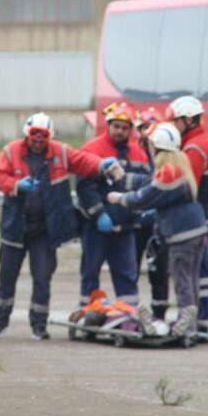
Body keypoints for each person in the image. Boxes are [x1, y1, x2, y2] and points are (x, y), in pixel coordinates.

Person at [0, 112, 104, 340]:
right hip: (15, 228)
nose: (38, 142)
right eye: (34, 138)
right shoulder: (11, 151)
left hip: (45, 230)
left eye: (43, 139)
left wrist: (102, 165)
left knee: (42, 279)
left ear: (49, 138)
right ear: (27, 135)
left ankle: (39, 326)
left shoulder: (60, 152)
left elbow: (82, 161)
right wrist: (17, 185)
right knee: (6, 278)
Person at [107, 122, 208, 341]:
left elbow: (146, 196)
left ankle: (187, 328)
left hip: (182, 235)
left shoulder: (169, 171)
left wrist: (120, 199)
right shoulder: (178, 164)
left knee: (183, 283)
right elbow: (149, 181)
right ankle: (190, 322)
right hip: (196, 230)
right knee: (191, 281)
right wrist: (122, 177)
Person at [76, 102, 151, 307]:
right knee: (90, 276)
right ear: (108, 125)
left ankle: (129, 318)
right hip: (96, 227)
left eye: (125, 128)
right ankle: (87, 317)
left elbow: (146, 185)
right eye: (116, 126)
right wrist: (99, 214)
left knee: (127, 277)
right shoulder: (92, 149)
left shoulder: (139, 154)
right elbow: (84, 187)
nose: (120, 131)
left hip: (126, 228)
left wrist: (144, 211)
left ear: (131, 130)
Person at [165, 96, 208, 340]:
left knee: (197, 273)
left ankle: (197, 325)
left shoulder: (194, 148)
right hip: (207, 214)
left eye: (176, 121)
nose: (174, 126)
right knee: (200, 273)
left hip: (199, 217)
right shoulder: (203, 141)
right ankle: (201, 323)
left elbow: (187, 187)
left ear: (188, 119)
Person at [134, 106, 170, 319]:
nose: (145, 132)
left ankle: (159, 314)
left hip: (157, 225)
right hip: (136, 223)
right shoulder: (134, 151)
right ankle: (132, 314)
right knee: (131, 272)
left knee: (158, 272)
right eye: (143, 128)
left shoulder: (166, 154)